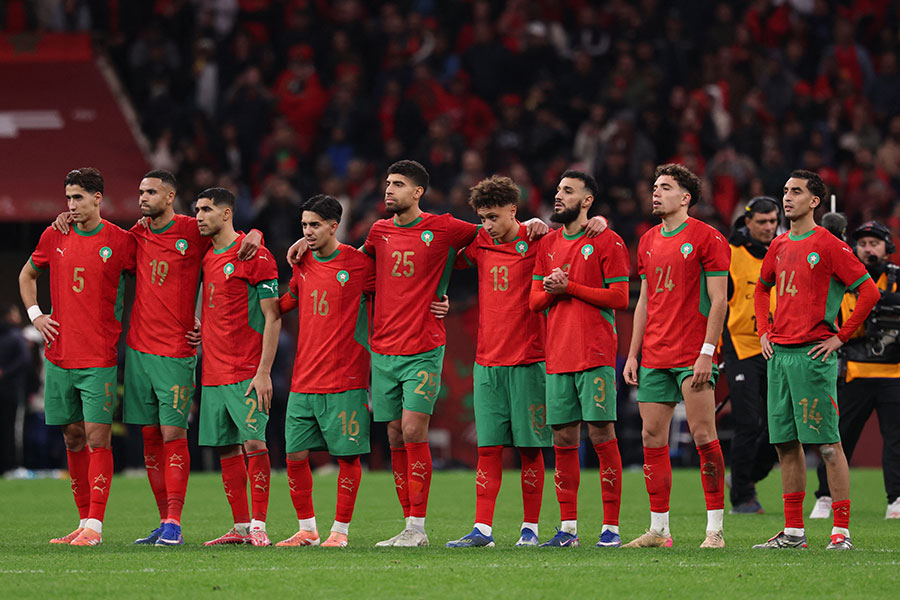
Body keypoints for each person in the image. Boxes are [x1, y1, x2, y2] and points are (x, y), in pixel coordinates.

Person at [287, 160, 550, 547]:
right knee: (395, 436)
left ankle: (420, 527)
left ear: (417, 192)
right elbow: (350, 261)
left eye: (397, 184)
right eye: (387, 182)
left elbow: (493, 232)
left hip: (424, 347)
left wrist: (533, 224)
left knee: (413, 429)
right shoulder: (378, 232)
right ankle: (409, 526)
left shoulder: (444, 227)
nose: (388, 190)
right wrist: (307, 245)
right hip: (383, 350)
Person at [52, 170, 262, 546]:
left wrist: (256, 234)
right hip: (138, 350)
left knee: (173, 433)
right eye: (140, 191)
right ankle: (164, 520)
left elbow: (229, 238)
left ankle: (175, 523)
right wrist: (66, 220)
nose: (142, 197)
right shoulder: (135, 235)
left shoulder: (192, 230)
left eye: (150, 192)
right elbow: (98, 240)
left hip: (176, 352)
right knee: (149, 436)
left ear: (169, 197)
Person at [752, 170, 880, 550]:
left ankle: (840, 532)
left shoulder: (829, 244)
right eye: (785, 191)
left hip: (812, 355)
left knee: (826, 445)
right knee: (785, 445)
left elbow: (868, 292)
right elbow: (761, 289)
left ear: (814, 201)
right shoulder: (778, 245)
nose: (787, 197)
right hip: (779, 356)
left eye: (796, 192)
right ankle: (794, 532)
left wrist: (840, 337)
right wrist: (763, 331)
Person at [18, 168, 136, 546]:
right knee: (72, 438)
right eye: (68, 197)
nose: (71, 205)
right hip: (59, 355)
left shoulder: (119, 241)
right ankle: (83, 521)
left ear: (98, 198)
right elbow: (26, 275)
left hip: (98, 356)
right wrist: (36, 316)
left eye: (78, 197)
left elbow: (155, 274)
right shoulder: (54, 234)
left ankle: (95, 527)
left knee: (98, 438)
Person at [623, 163, 730, 549]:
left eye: (665, 187)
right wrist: (633, 353)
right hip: (654, 354)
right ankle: (659, 530)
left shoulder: (707, 237)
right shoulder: (647, 240)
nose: (656, 192)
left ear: (685, 197)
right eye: (655, 186)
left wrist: (707, 352)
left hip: (691, 354)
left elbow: (720, 301)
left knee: (703, 435)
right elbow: (644, 301)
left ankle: (715, 530)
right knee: (651, 436)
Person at [444, 175, 553, 548]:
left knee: (529, 449)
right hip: (487, 362)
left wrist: (549, 224)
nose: (487, 225)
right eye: (482, 218)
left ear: (513, 210)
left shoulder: (539, 241)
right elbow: (446, 259)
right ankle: (483, 530)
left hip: (528, 360)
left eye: (493, 217)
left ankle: (530, 530)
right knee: (488, 449)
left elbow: (575, 240)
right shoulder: (480, 242)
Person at [529, 170, 630, 548]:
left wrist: (568, 286)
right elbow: (534, 302)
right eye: (558, 189)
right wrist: (554, 290)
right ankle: (568, 528)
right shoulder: (547, 244)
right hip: (557, 355)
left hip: (595, 353)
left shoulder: (607, 240)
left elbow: (620, 297)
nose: (559, 196)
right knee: (563, 438)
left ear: (587, 201)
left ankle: (611, 528)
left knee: (602, 434)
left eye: (568, 191)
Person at [275, 195, 375, 548]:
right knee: (294, 456)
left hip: (345, 379)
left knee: (347, 456)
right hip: (303, 379)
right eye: (304, 225)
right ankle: (307, 529)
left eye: (315, 225)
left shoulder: (359, 264)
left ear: (334, 226)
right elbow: (288, 301)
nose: (308, 231)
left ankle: (340, 532)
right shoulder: (301, 262)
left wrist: (438, 299)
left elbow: (397, 291)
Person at [195, 187, 282, 547]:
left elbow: (273, 317)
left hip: (246, 369)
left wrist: (263, 372)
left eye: (206, 209)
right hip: (213, 371)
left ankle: (260, 524)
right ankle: (241, 526)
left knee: (254, 441)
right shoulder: (206, 255)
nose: (199, 216)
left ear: (227, 213)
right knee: (226, 448)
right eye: (197, 210)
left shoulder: (254, 254)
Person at [810, 221, 900, 521]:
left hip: (893, 372)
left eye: (874, 243)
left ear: (887, 248)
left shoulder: (896, 278)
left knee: (896, 439)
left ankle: (896, 499)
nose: (868, 249)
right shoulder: (842, 277)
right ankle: (825, 496)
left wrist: (884, 299)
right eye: (862, 244)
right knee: (837, 437)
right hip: (853, 371)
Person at [722, 197, 780, 514]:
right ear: (748, 223)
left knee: (781, 426)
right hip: (741, 346)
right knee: (748, 422)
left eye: (773, 221)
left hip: (778, 347)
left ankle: (746, 477)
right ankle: (743, 497)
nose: (769, 227)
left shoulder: (783, 252)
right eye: (762, 221)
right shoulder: (731, 255)